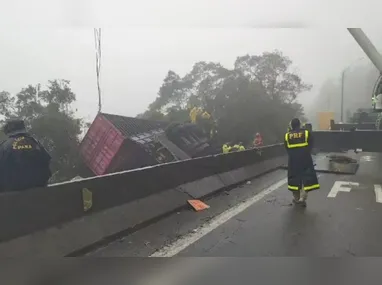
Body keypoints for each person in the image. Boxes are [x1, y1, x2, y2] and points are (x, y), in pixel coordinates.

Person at [0, 119, 52, 192]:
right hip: (40, 191)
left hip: (13, 196)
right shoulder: (36, 143)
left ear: (8, 131)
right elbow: (47, 160)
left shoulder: (4, 147)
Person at [284, 118, 319, 206]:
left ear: (291, 125)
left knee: (294, 178)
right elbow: (311, 144)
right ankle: (303, 197)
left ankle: (296, 198)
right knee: (307, 177)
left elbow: (287, 148)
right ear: (299, 124)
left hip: (293, 160)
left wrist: (293, 154)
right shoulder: (306, 133)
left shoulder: (287, 135)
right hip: (305, 158)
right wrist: (306, 152)